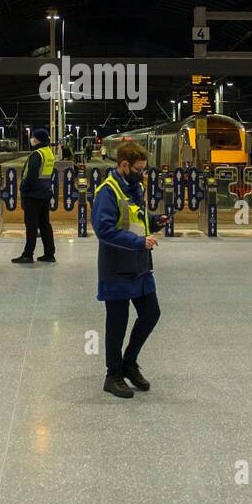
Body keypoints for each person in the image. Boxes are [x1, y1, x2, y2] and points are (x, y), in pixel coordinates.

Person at [93, 141, 169, 399]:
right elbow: (104, 230)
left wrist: (154, 221)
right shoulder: (108, 191)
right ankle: (112, 374)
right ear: (124, 166)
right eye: (139, 169)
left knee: (151, 313)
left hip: (139, 266)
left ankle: (129, 362)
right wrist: (139, 242)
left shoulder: (135, 188)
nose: (143, 174)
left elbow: (133, 219)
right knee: (117, 322)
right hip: (116, 267)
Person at [13, 128, 56, 264]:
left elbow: (31, 175)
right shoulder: (48, 153)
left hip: (32, 194)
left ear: (37, 139)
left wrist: (23, 188)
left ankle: (27, 254)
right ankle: (49, 254)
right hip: (45, 193)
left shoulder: (37, 154)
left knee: (31, 225)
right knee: (44, 224)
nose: (31, 139)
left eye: (33, 137)